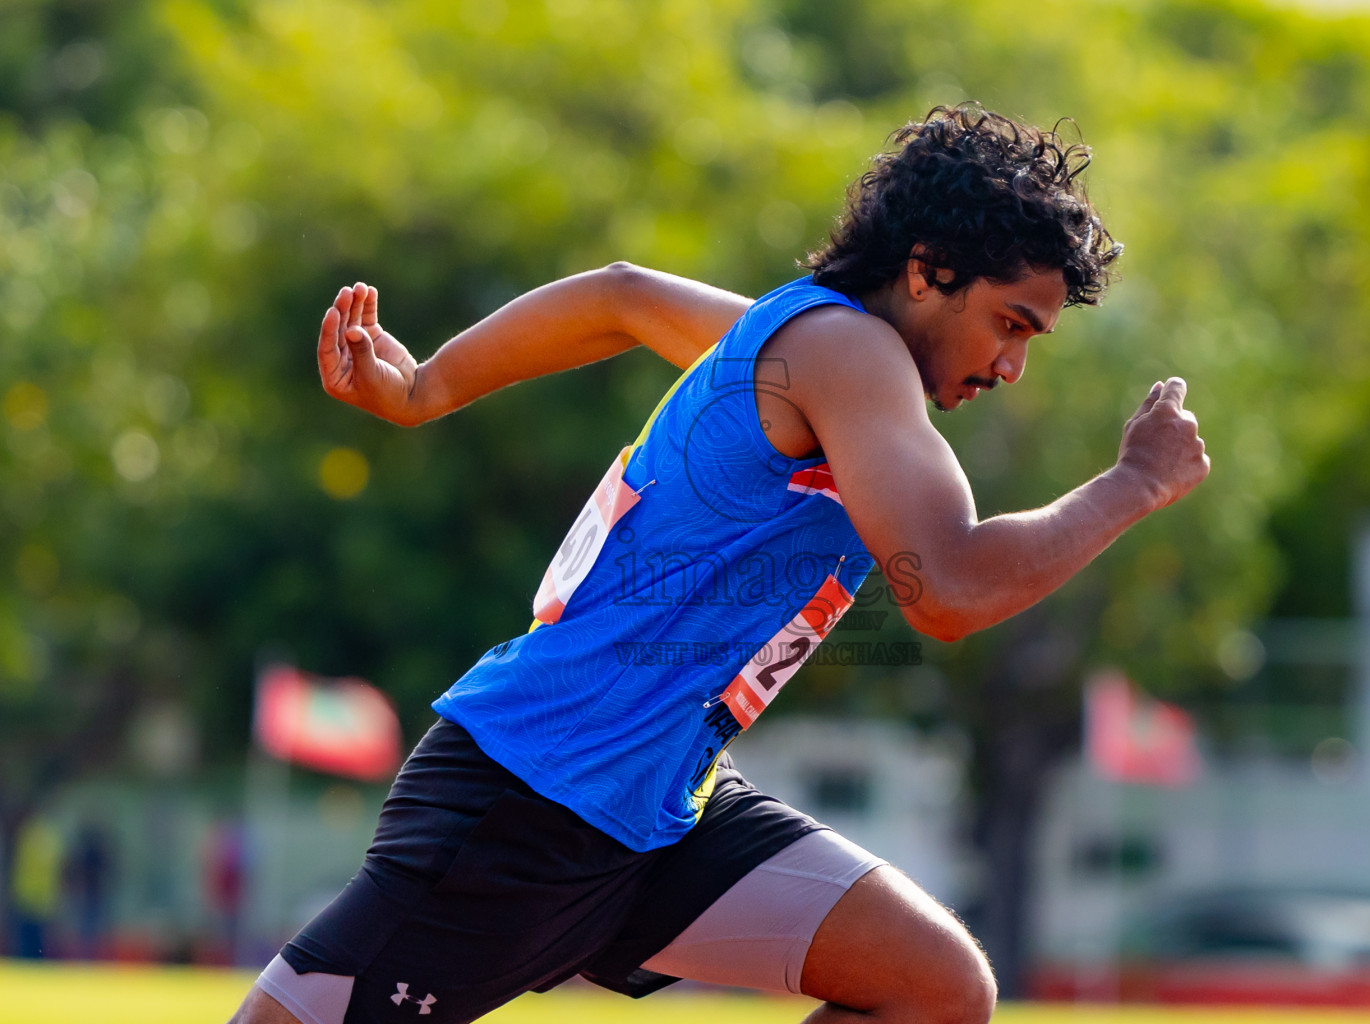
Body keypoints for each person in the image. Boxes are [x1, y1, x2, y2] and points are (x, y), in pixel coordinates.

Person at [228, 104, 1207, 1024]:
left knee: (936, 985)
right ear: (927, 269)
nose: (1012, 365)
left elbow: (622, 298)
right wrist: (1132, 484)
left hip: (661, 810)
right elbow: (945, 589)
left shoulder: (806, 350)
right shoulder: (850, 356)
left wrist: (428, 386)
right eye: (1011, 323)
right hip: (531, 795)